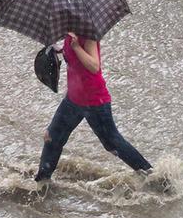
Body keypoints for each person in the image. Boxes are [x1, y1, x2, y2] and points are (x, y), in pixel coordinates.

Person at [34, 32, 152, 184]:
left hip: (94, 100)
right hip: (73, 99)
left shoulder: (88, 33)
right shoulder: (70, 33)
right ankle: (42, 183)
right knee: (51, 137)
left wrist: (76, 47)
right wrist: (57, 49)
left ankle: (150, 176)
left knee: (111, 142)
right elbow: (71, 56)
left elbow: (94, 66)